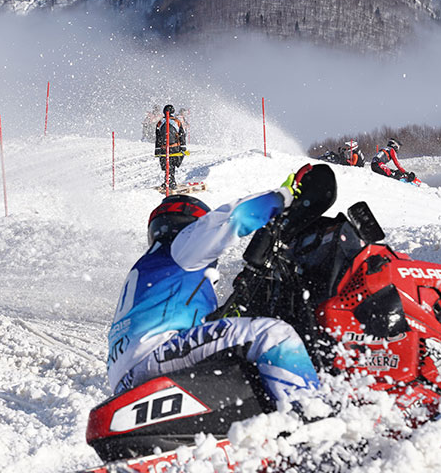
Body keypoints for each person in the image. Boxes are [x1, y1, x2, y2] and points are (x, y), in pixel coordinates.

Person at [106, 167, 321, 406]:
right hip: (154, 355)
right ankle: (313, 418)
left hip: (124, 379)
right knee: (274, 336)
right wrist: (285, 196)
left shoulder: (151, 268)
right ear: (190, 225)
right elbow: (234, 218)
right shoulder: (181, 246)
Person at [152, 104, 187, 191]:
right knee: (172, 164)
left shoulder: (160, 123)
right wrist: (183, 147)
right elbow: (182, 135)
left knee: (167, 165)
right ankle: (171, 182)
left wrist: (157, 150)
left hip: (164, 148)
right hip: (175, 147)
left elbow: (158, 137)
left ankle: (168, 181)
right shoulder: (177, 121)